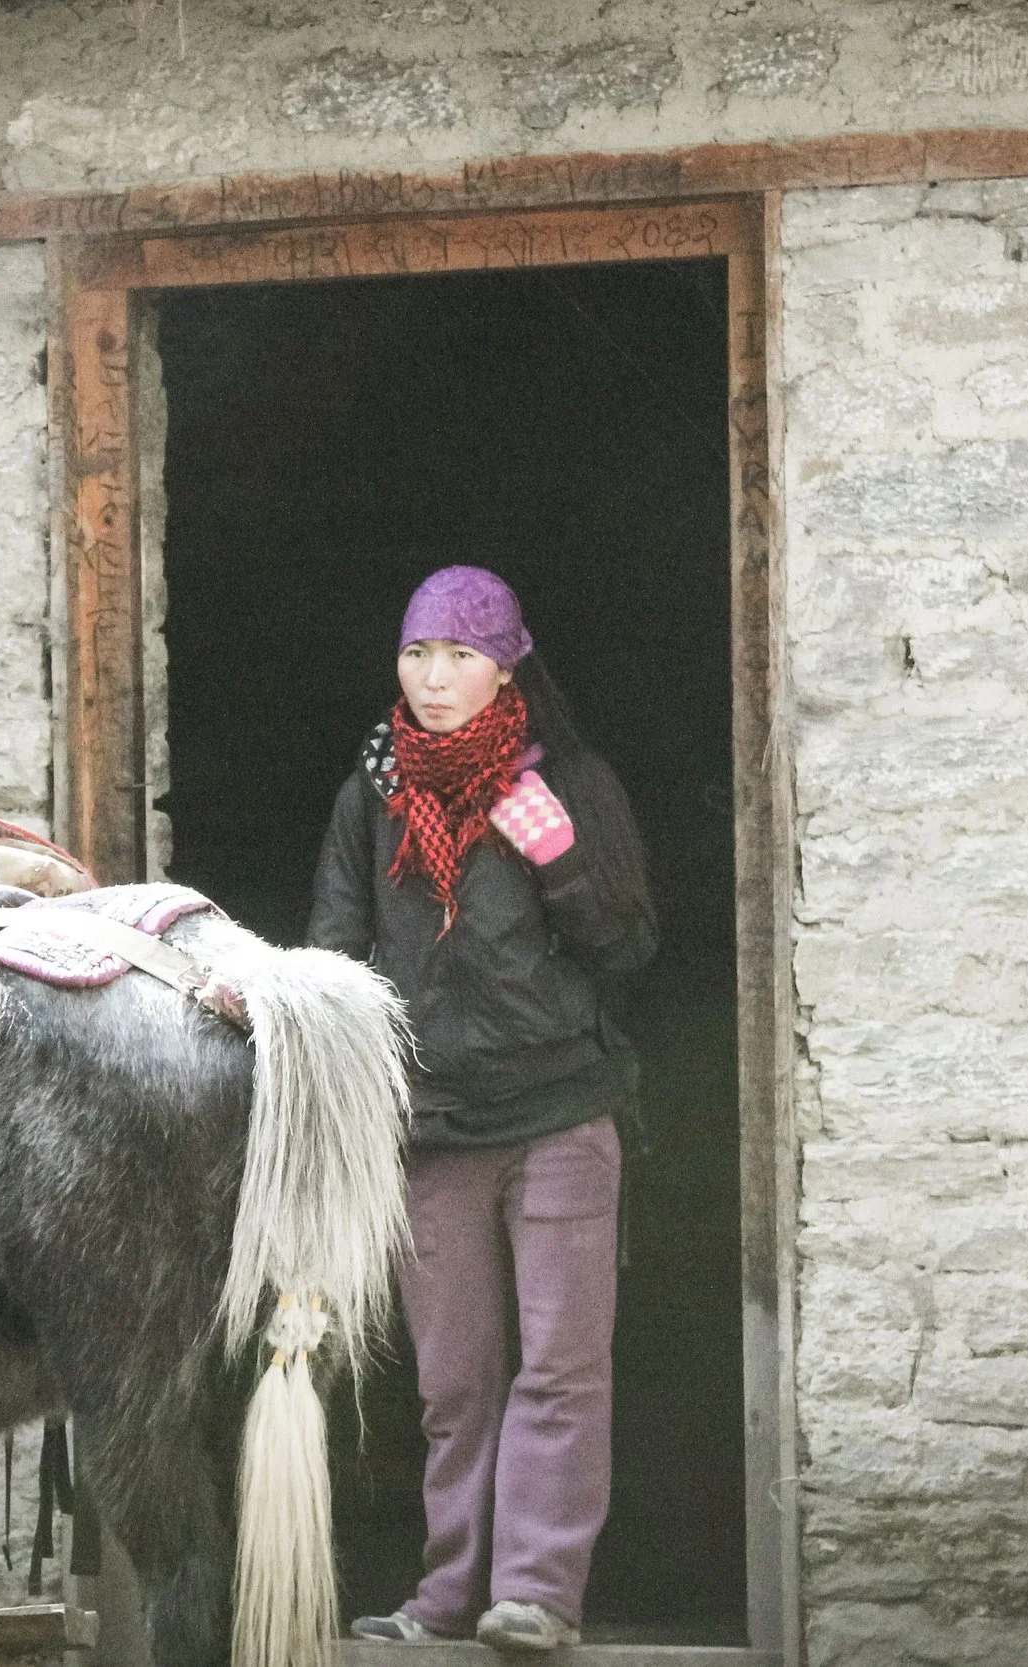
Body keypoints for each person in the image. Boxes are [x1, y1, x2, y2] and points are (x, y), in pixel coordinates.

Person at [310, 566, 657, 1654]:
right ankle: (448, 1591)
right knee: (454, 1377)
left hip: (560, 1112)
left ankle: (537, 1593)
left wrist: (558, 859)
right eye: (417, 653)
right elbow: (333, 948)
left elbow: (628, 946)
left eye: (460, 654)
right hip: (432, 1129)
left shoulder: (569, 780)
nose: (434, 676)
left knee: (560, 1364)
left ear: (506, 664)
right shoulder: (370, 793)